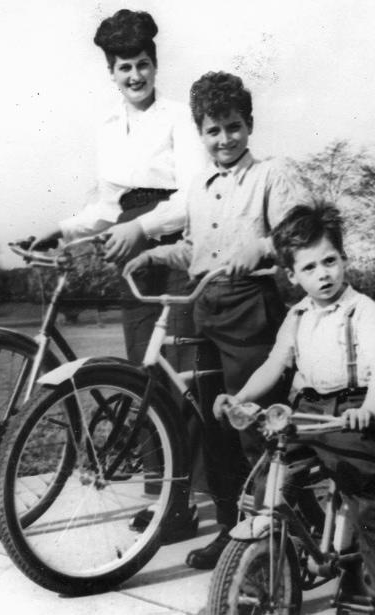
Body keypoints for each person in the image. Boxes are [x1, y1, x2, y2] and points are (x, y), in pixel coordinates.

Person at [28, 9, 205, 541]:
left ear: (156, 65)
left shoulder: (179, 117)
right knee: (143, 376)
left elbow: (192, 196)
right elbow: (106, 206)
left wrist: (144, 228)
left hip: (174, 247)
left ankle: (185, 501)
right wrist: (57, 230)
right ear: (111, 71)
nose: (135, 76)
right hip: (130, 253)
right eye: (125, 67)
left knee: (179, 370)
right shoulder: (107, 126)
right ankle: (160, 499)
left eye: (143, 65)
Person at [124, 71, 299, 569]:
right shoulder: (199, 184)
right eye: (213, 130)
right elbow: (197, 251)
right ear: (199, 133)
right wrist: (157, 257)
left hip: (251, 307)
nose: (224, 139)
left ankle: (277, 532)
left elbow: (301, 234)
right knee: (215, 427)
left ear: (249, 125)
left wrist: (261, 246)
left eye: (233, 126)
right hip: (205, 310)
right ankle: (232, 527)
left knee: (254, 423)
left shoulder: (272, 174)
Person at [214, 202, 375, 614]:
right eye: (309, 268)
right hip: (306, 410)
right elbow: (274, 365)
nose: (322, 273)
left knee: (366, 505)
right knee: (269, 486)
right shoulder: (298, 315)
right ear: (292, 276)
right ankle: (259, 581)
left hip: (353, 409)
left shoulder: (363, 311)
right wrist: (242, 398)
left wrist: (369, 408)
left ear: (344, 260)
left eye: (330, 261)